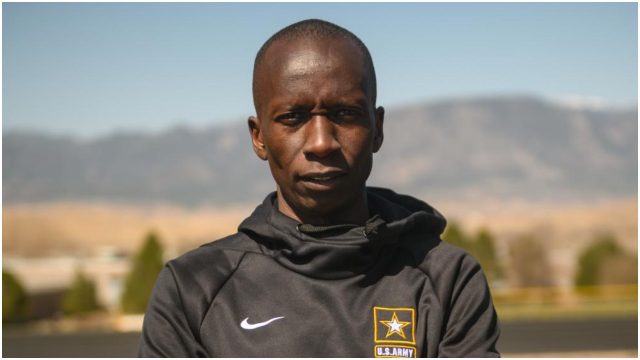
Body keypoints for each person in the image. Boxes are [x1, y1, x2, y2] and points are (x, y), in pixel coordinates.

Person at [138, 19, 500, 358]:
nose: (322, 142)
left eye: (344, 114)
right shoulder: (193, 288)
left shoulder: (447, 280)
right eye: (293, 118)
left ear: (377, 128)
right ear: (259, 136)